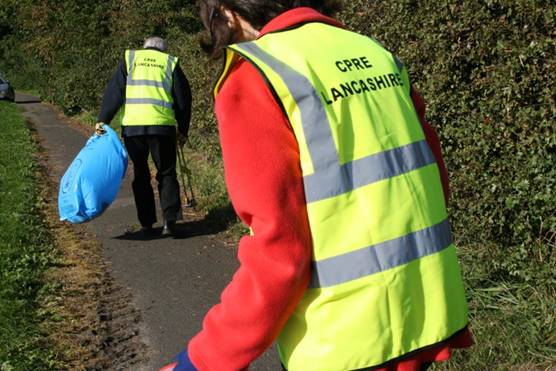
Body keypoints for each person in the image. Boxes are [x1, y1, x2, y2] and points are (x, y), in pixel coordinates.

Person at [163, 1, 473, 370]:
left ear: (228, 14)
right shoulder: (372, 51)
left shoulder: (255, 76)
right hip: (424, 317)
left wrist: (204, 360)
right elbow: (432, 181)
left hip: (344, 343)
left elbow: (278, 252)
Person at [96, 36, 192, 237]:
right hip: (162, 128)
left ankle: (147, 225)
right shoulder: (169, 62)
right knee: (166, 173)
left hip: (133, 128)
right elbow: (183, 99)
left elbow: (114, 92)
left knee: (140, 174)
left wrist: (103, 120)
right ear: (163, 50)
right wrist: (183, 129)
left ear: (145, 47)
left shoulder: (130, 59)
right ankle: (170, 222)